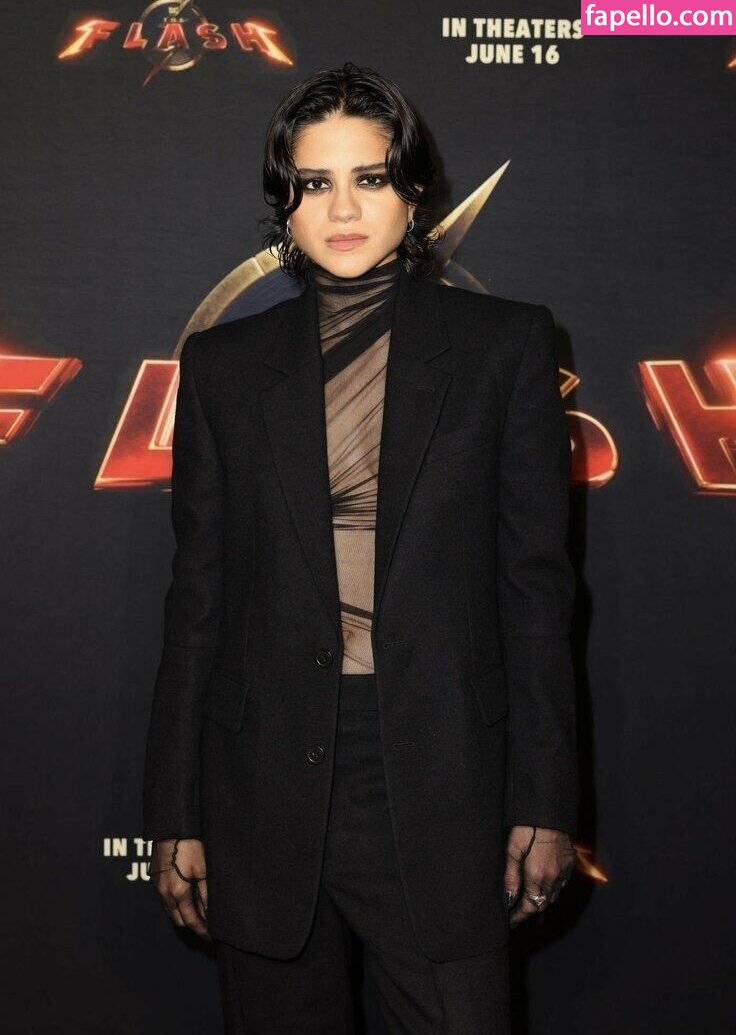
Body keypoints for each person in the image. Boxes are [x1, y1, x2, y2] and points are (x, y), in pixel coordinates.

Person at [142, 61, 577, 1034]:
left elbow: (536, 593)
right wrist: (175, 807)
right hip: (261, 779)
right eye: (314, 182)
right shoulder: (222, 368)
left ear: (413, 191)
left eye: (369, 178)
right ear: (284, 205)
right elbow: (199, 599)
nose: (342, 208)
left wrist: (545, 797)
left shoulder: (505, 347)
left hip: (442, 773)